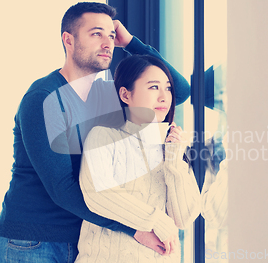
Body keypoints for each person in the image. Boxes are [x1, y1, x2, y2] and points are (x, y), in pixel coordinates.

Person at [0, 2, 190, 263]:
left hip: (82, 241)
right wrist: (135, 228)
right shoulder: (44, 98)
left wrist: (131, 44)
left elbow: (180, 92)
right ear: (68, 40)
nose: (107, 43)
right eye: (96, 34)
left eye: (111, 35)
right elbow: (62, 188)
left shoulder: (107, 96)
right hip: (30, 244)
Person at [76, 55, 201, 262]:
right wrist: (157, 219)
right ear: (125, 94)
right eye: (153, 87)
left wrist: (173, 160)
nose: (164, 97)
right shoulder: (103, 136)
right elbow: (97, 194)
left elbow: (185, 218)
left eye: (168, 88)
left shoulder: (172, 150)